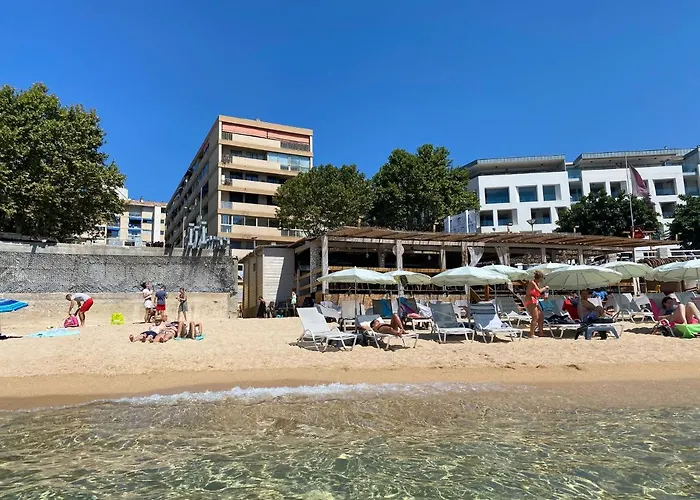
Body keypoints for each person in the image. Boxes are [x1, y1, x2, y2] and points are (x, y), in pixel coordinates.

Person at [524, 271, 548, 338]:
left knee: (541, 316)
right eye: (542, 278)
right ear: (540, 278)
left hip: (534, 301)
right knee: (535, 317)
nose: (542, 280)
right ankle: (531, 334)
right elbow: (539, 291)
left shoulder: (537, 284)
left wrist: (543, 297)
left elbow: (537, 294)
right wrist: (545, 288)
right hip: (530, 301)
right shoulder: (532, 282)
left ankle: (541, 333)